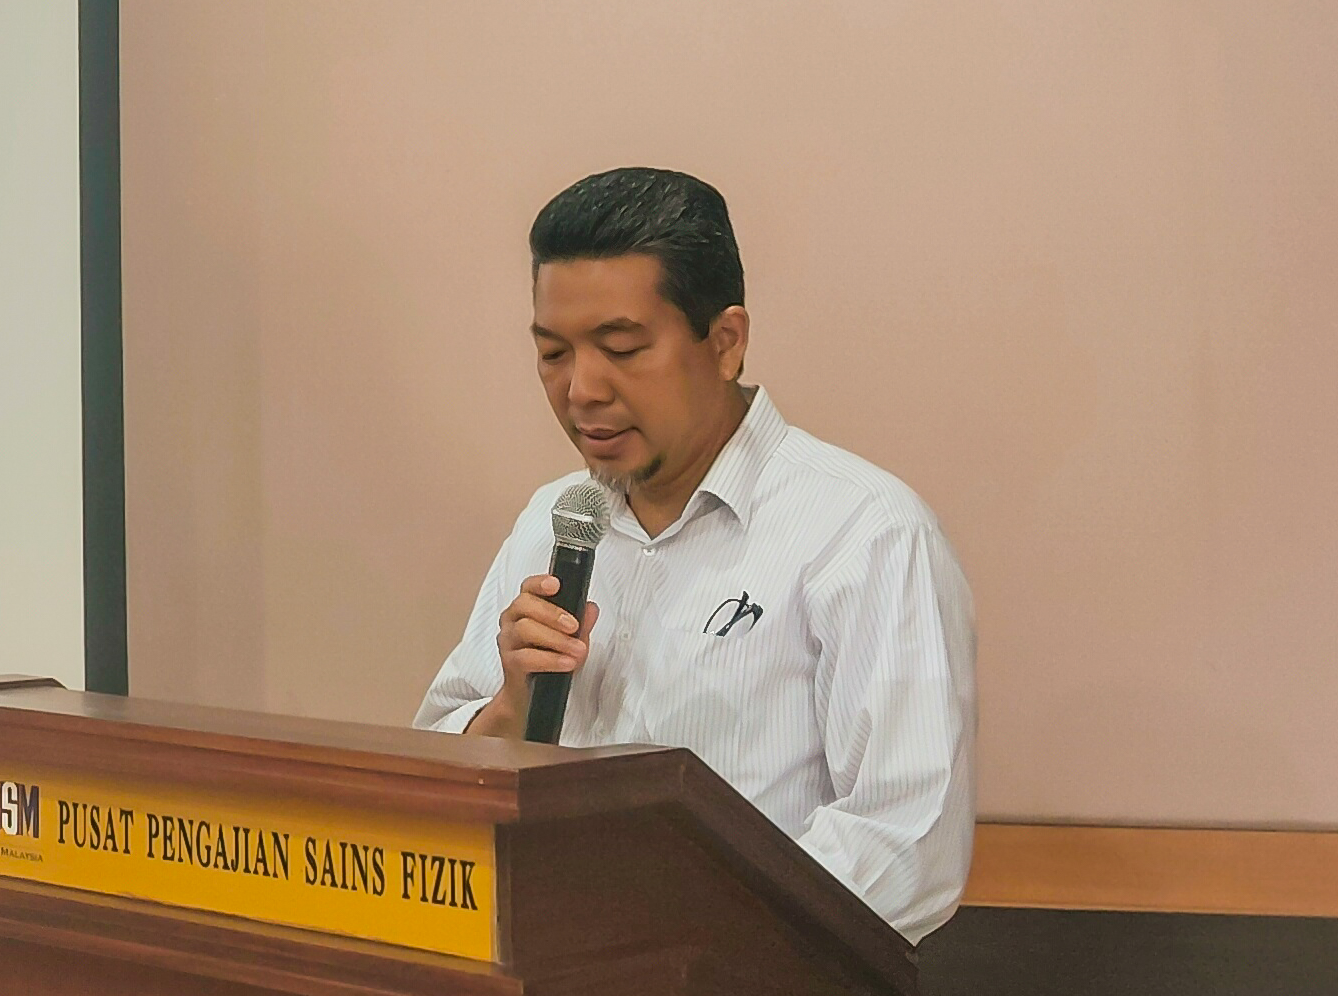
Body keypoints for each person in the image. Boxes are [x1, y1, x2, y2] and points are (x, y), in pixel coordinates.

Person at [416, 167, 977, 942]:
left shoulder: (864, 532)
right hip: (545, 975)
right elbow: (430, 779)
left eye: (622, 348)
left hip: (746, 986)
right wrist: (511, 707)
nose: (581, 389)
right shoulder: (555, 520)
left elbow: (905, 844)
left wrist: (663, 940)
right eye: (552, 353)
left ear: (725, 342)